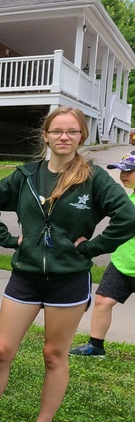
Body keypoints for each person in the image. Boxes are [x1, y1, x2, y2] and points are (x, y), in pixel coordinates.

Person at [0, 107, 135, 422]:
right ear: (45, 135)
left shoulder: (94, 178)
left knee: (54, 355)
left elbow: (128, 216)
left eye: (72, 132)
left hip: (68, 280)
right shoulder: (27, 175)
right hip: (25, 277)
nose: (64, 137)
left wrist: (93, 248)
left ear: (81, 137)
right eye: (57, 131)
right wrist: (8, 239)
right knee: (1, 350)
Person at [69, 150, 135, 358]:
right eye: (121, 171)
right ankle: (95, 346)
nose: (124, 175)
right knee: (103, 301)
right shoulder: (129, 198)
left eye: (130, 170)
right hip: (122, 263)